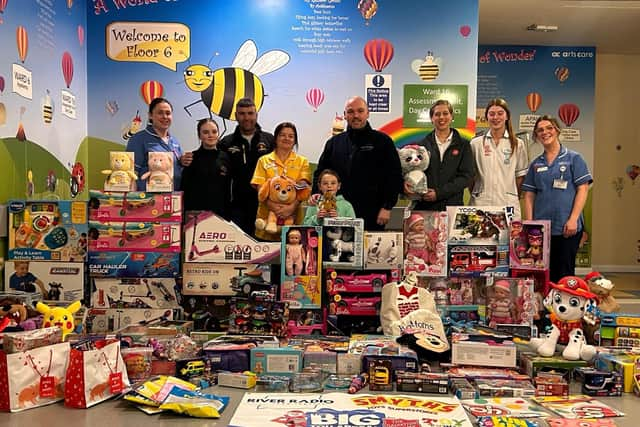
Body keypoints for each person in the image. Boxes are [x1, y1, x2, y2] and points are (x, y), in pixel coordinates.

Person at [314, 96, 403, 230]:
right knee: (337, 248)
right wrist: (315, 197)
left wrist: (387, 207)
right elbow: (320, 173)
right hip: (337, 213)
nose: (355, 115)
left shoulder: (383, 141)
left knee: (369, 250)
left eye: (360, 111)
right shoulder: (334, 143)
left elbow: (394, 176)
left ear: (368, 113)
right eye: (350, 112)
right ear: (344, 115)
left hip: (373, 213)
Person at [522, 115, 593, 282]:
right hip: (541, 229)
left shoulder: (574, 158)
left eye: (549, 128)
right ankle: (546, 307)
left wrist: (574, 219)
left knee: (565, 273)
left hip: (566, 227)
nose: (545, 132)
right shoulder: (536, 164)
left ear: (557, 130)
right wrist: (530, 223)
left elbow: (583, 189)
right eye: (540, 130)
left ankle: (565, 308)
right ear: (536, 136)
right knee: (542, 273)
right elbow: (529, 194)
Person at [219, 98, 274, 235]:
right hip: (237, 207)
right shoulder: (226, 143)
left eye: (250, 113)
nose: (246, 117)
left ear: (256, 115)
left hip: (265, 206)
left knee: (264, 250)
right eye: (242, 113)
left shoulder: (269, 140)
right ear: (236, 116)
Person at [407, 99, 474, 211]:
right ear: (432, 119)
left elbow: (466, 177)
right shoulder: (421, 146)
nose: (441, 117)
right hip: (425, 206)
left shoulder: (464, 145)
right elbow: (414, 172)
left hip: (452, 207)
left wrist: (439, 193)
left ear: (451, 116)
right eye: (437, 114)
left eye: (445, 113)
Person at [251, 122, 311, 241]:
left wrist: (291, 207)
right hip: (266, 221)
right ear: (276, 138)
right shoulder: (263, 160)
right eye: (282, 135)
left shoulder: (302, 162)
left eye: (291, 136)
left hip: (293, 224)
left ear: (295, 141)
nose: (286, 138)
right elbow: (260, 187)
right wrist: (274, 207)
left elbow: (304, 187)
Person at [469, 98, 528, 218]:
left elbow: (520, 177)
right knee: (481, 235)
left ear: (507, 117)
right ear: (487, 117)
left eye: (500, 113)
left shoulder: (517, 143)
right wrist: (478, 193)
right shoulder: (476, 143)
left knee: (508, 236)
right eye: (492, 114)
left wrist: (511, 194)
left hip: (507, 203)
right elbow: (470, 176)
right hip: (481, 203)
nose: (496, 117)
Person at [126, 97, 192, 190]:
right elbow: (130, 174)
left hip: (174, 198)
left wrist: (182, 161)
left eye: (168, 113)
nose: (165, 116)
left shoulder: (174, 141)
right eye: (160, 113)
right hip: (149, 200)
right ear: (150, 116)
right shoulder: (138, 139)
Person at [180, 118, 232, 217]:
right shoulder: (190, 159)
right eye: (205, 132)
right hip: (195, 215)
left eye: (214, 131)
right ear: (199, 135)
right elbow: (184, 189)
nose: (210, 135)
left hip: (221, 214)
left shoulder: (226, 158)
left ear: (218, 134)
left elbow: (228, 189)